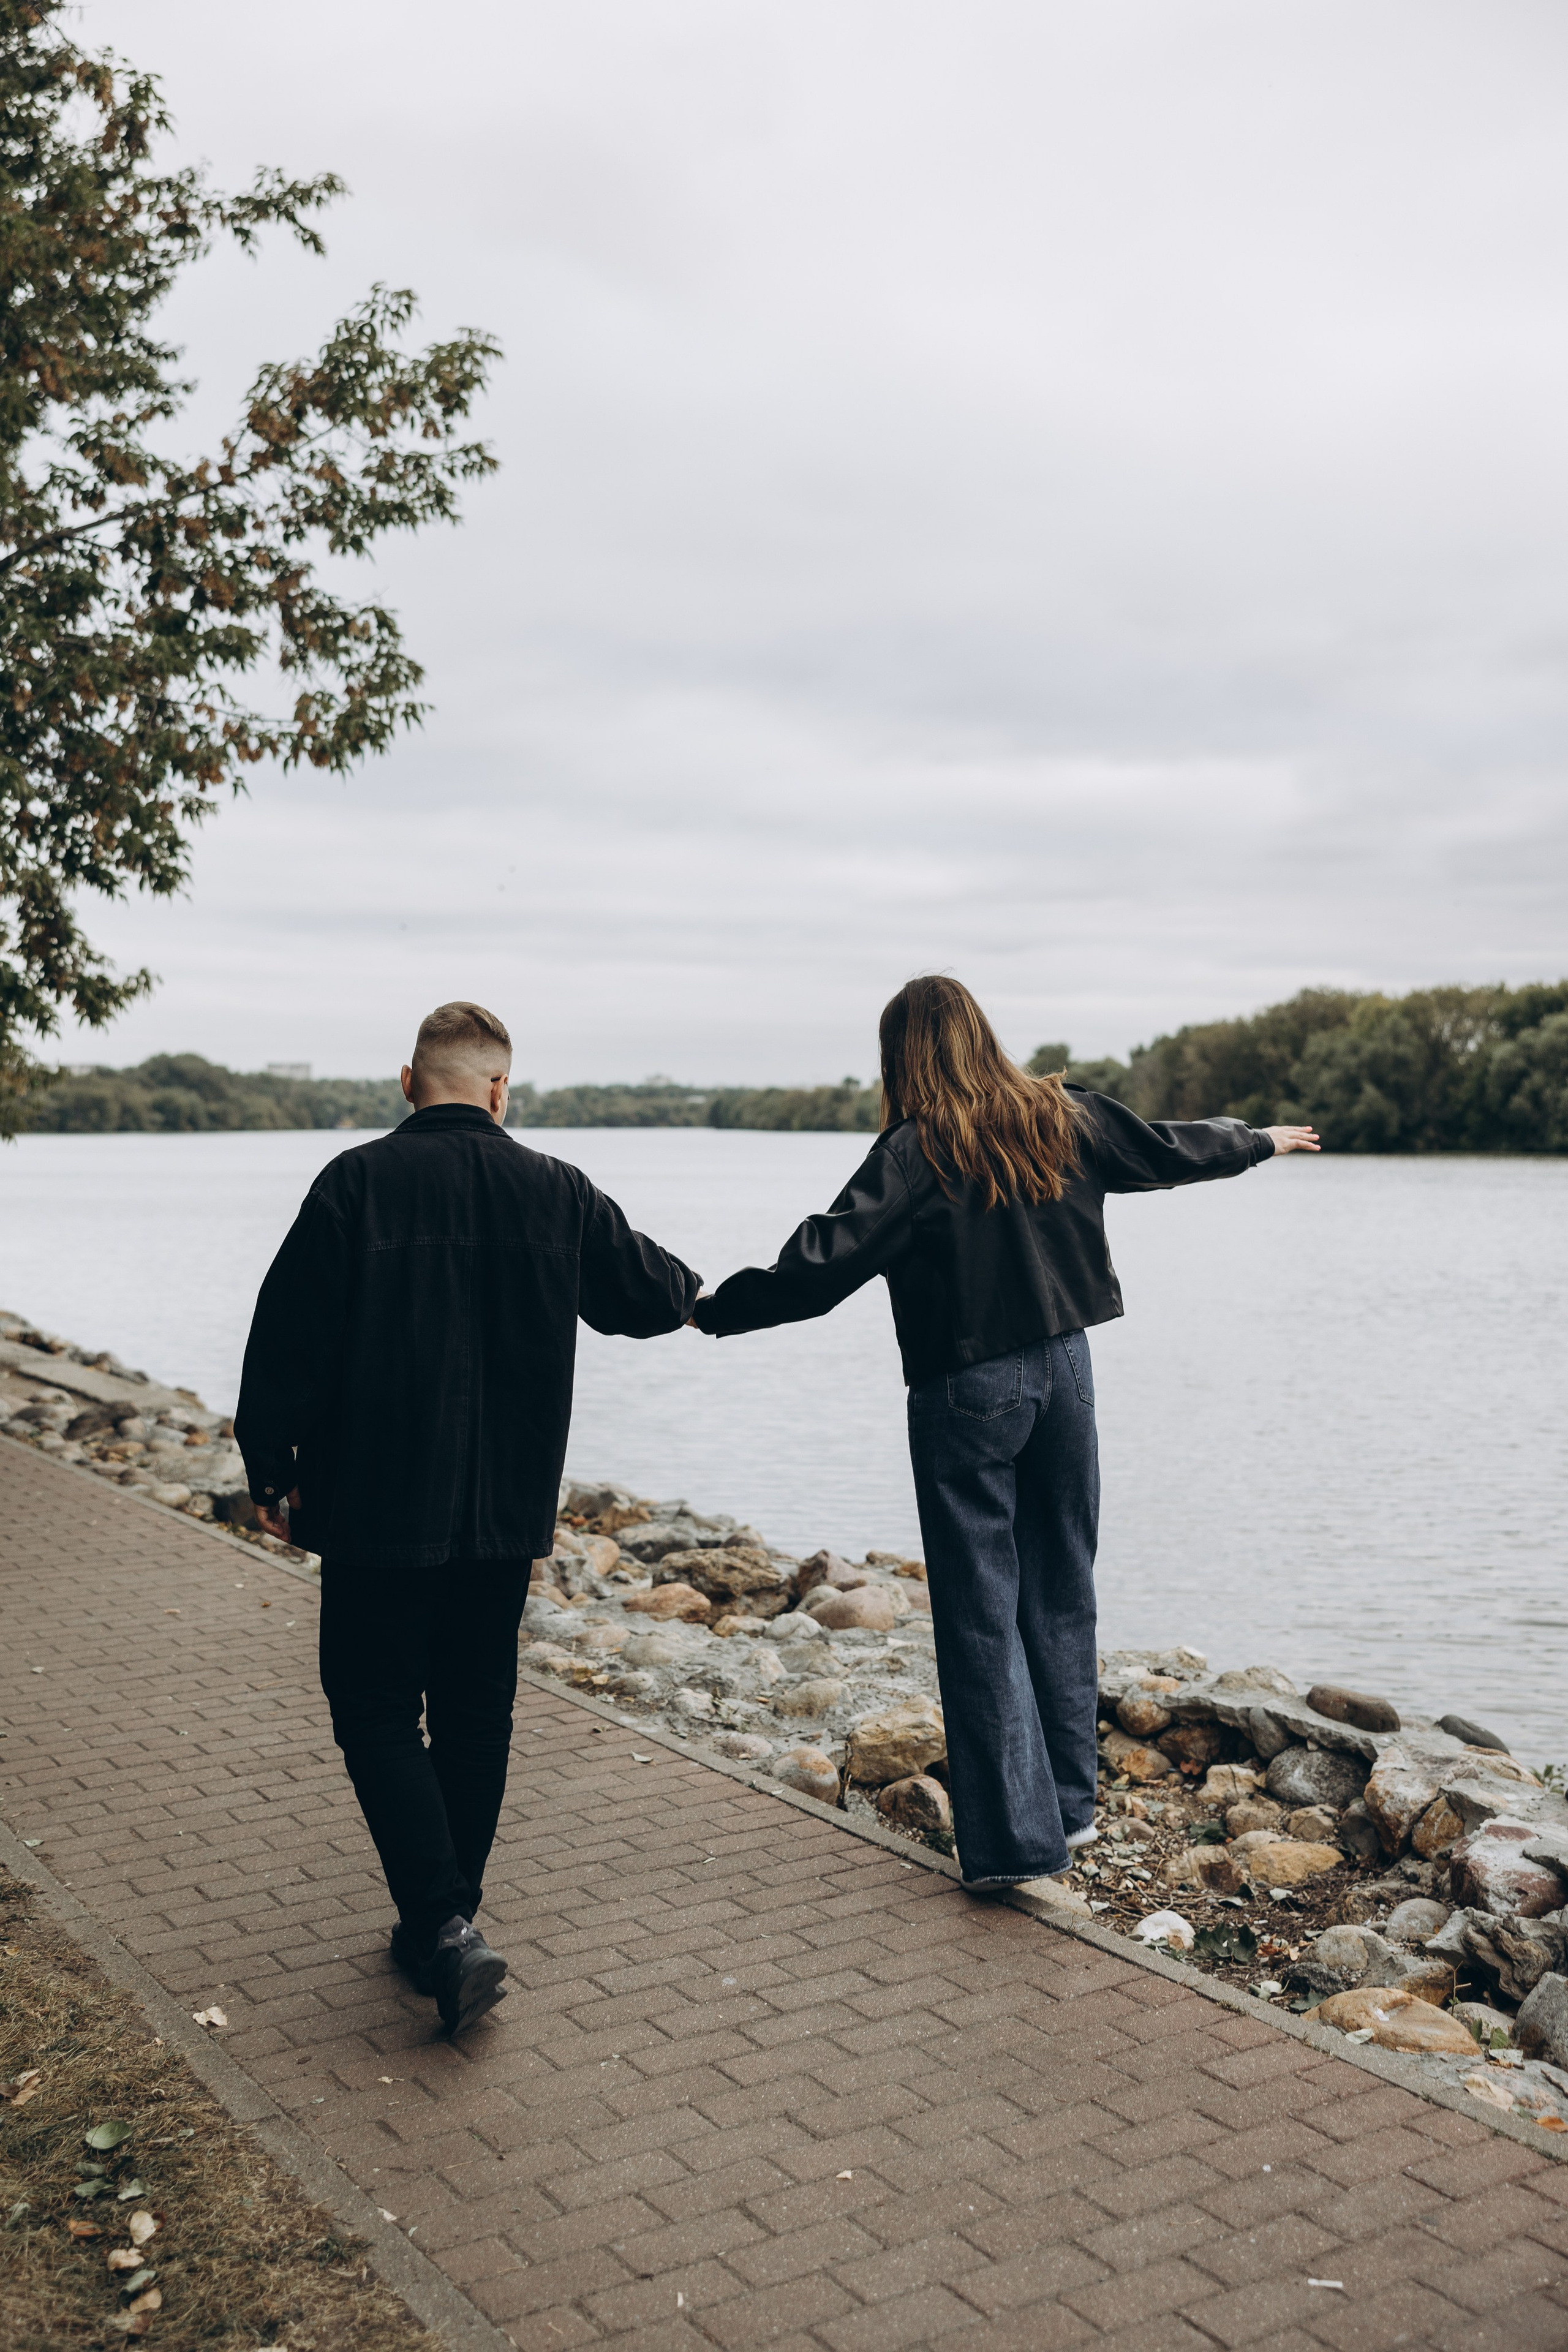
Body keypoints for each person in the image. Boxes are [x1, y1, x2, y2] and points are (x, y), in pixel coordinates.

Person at [691, 975, 1318, 1894]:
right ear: (981, 1035)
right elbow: (1167, 1150)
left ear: (900, 1058)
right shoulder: (1060, 1115)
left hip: (965, 1386)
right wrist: (1256, 1141)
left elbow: (825, 1261)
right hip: (1066, 1372)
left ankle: (1020, 1848)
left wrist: (719, 1310)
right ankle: (1072, 1807)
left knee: (982, 1612)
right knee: (1062, 1585)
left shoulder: (914, 1150)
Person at [235, 1001, 700, 2031]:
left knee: (371, 1707)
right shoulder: (557, 1191)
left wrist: (271, 1469)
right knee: (476, 1710)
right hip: (503, 1505)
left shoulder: (354, 1182)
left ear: (409, 1082)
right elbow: (647, 1292)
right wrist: (707, 1293)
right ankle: (443, 1925)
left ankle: (442, 1926)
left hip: (374, 1502)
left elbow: (288, 1339)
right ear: (501, 1091)